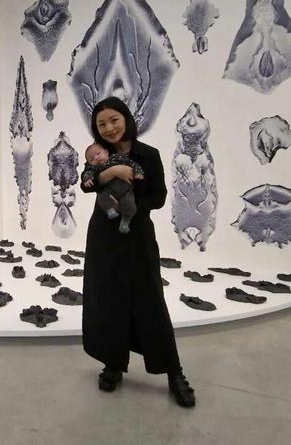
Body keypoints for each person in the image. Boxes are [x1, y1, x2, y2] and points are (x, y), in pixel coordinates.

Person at [80, 96, 196, 408]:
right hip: (104, 237)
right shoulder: (98, 154)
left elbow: (159, 196)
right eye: (102, 124)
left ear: (126, 119)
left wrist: (130, 209)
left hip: (138, 234)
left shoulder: (149, 155)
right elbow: (86, 184)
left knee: (150, 301)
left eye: (114, 120)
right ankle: (113, 363)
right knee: (109, 300)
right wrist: (110, 174)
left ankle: (174, 372)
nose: (109, 128)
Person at [83, 143, 144, 233]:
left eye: (98, 153)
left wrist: (138, 172)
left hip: (125, 190)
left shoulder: (117, 158)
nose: (96, 158)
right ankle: (110, 210)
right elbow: (88, 173)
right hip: (109, 190)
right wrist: (87, 179)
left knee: (129, 203)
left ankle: (125, 221)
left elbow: (131, 163)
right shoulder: (95, 168)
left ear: (106, 152)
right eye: (92, 159)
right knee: (102, 195)